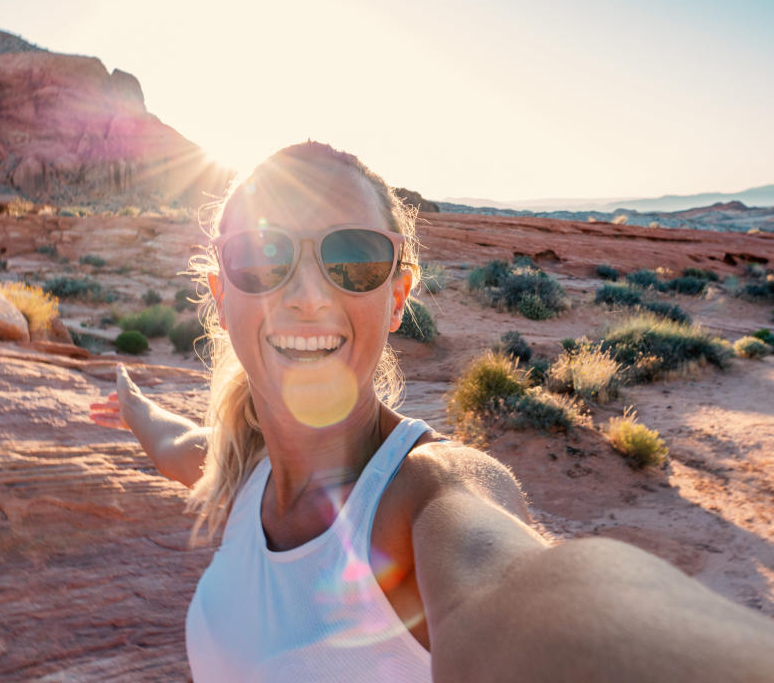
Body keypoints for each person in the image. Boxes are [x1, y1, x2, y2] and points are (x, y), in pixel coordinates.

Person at [91, 142, 774, 682]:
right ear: (219, 292)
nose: (305, 294)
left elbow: (517, 586)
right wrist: (131, 405)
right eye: (261, 256)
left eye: (352, 258)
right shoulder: (246, 475)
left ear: (397, 294)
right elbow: (178, 442)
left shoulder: (426, 496)